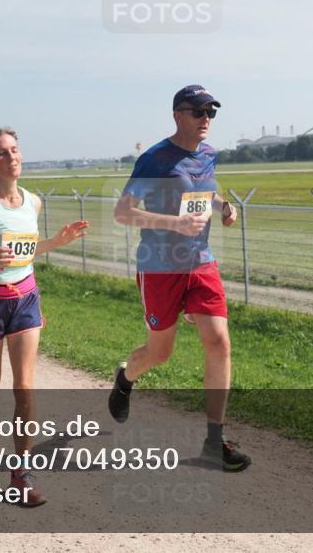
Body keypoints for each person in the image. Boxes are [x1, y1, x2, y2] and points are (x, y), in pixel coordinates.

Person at [0, 128, 88, 507]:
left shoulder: (32, 202)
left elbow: (26, 251)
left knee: (24, 387)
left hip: (25, 299)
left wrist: (57, 242)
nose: (12, 158)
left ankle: (21, 474)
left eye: (15, 150)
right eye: (3, 153)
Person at [108, 85, 251, 472]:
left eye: (211, 112)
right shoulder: (155, 159)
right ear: (178, 115)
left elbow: (204, 193)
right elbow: (123, 212)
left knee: (219, 341)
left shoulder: (207, 154)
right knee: (160, 353)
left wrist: (224, 207)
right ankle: (126, 378)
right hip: (159, 266)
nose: (206, 119)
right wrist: (175, 223)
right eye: (198, 111)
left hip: (200, 261)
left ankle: (214, 441)